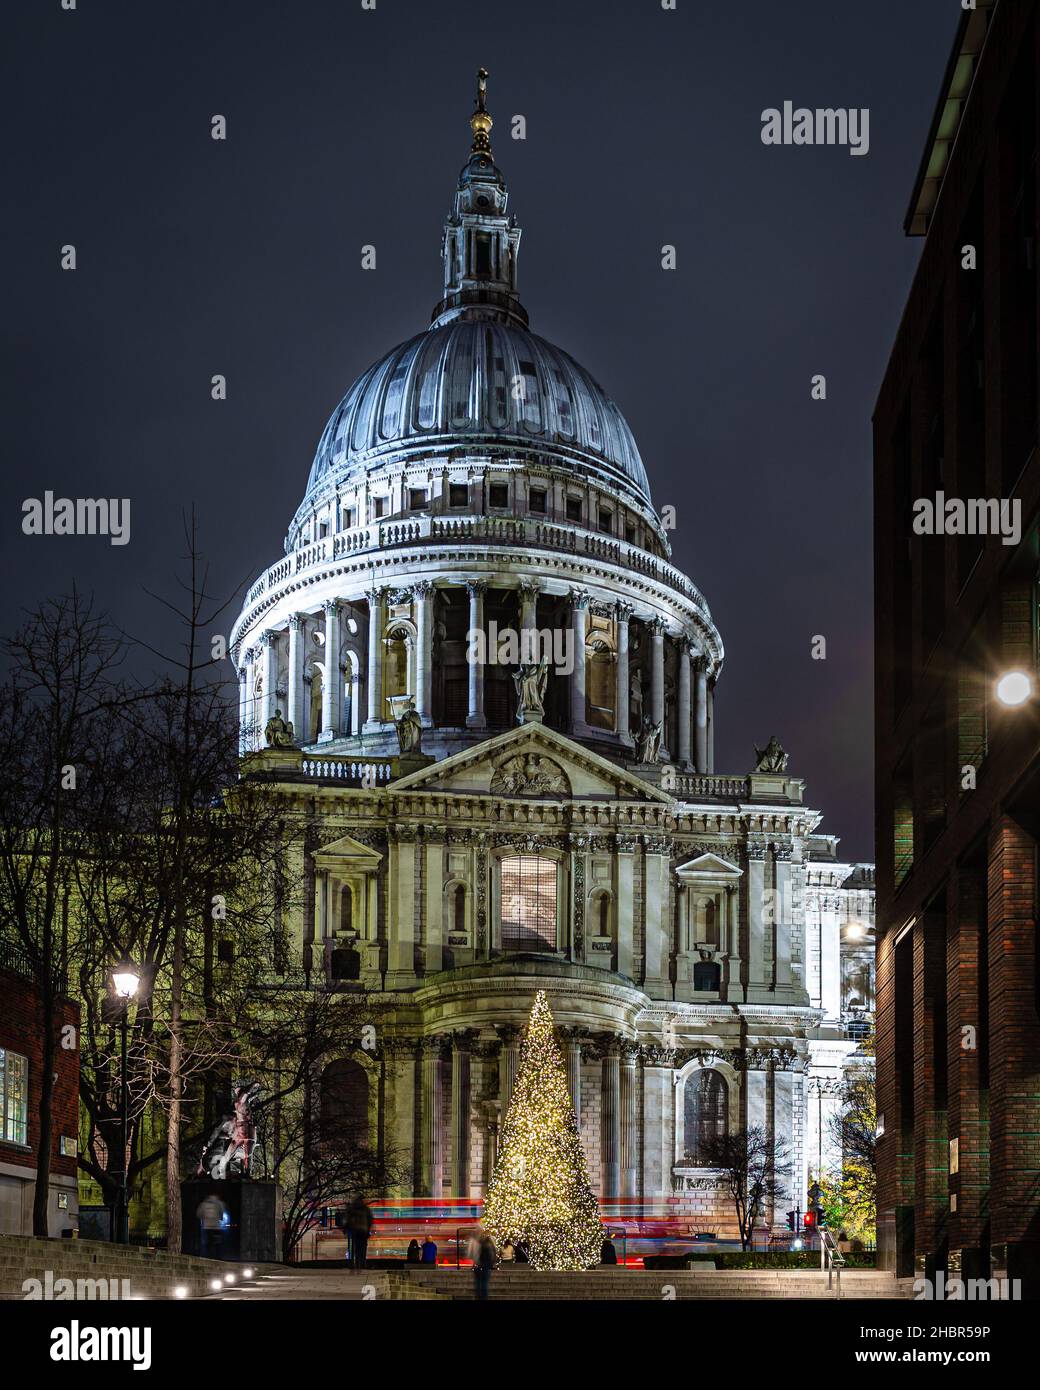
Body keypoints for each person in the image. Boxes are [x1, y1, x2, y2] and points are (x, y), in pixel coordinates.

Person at [196, 1193, 228, 1259]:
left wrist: (203, 1219)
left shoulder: (203, 1204)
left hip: (207, 1227)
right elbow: (222, 1211)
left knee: (207, 1244)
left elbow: (198, 1214)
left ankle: (208, 1258)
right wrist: (220, 1218)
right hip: (217, 1227)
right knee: (217, 1244)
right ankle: (218, 1258)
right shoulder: (220, 1203)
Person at [345, 1196, 373, 1270]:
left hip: (355, 1230)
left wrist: (346, 1228)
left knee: (356, 1248)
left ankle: (357, 1264)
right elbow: (370, 1220)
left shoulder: (352, 1209)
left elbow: (348, 1219)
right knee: (362, 1248)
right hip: (363, 1230)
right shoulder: (365, 1209)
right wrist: (368, 1229)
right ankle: (362, 1264)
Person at [472, 1231, 497, 1301]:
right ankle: (483, 1297)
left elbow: (478, 1255)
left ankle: (479, 1296)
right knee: (484, 1283)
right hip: (486, 1265)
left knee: (480, 1283)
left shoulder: (481, 1244)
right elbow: (493, 1256)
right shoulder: (491, 1245)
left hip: (481, 1265)